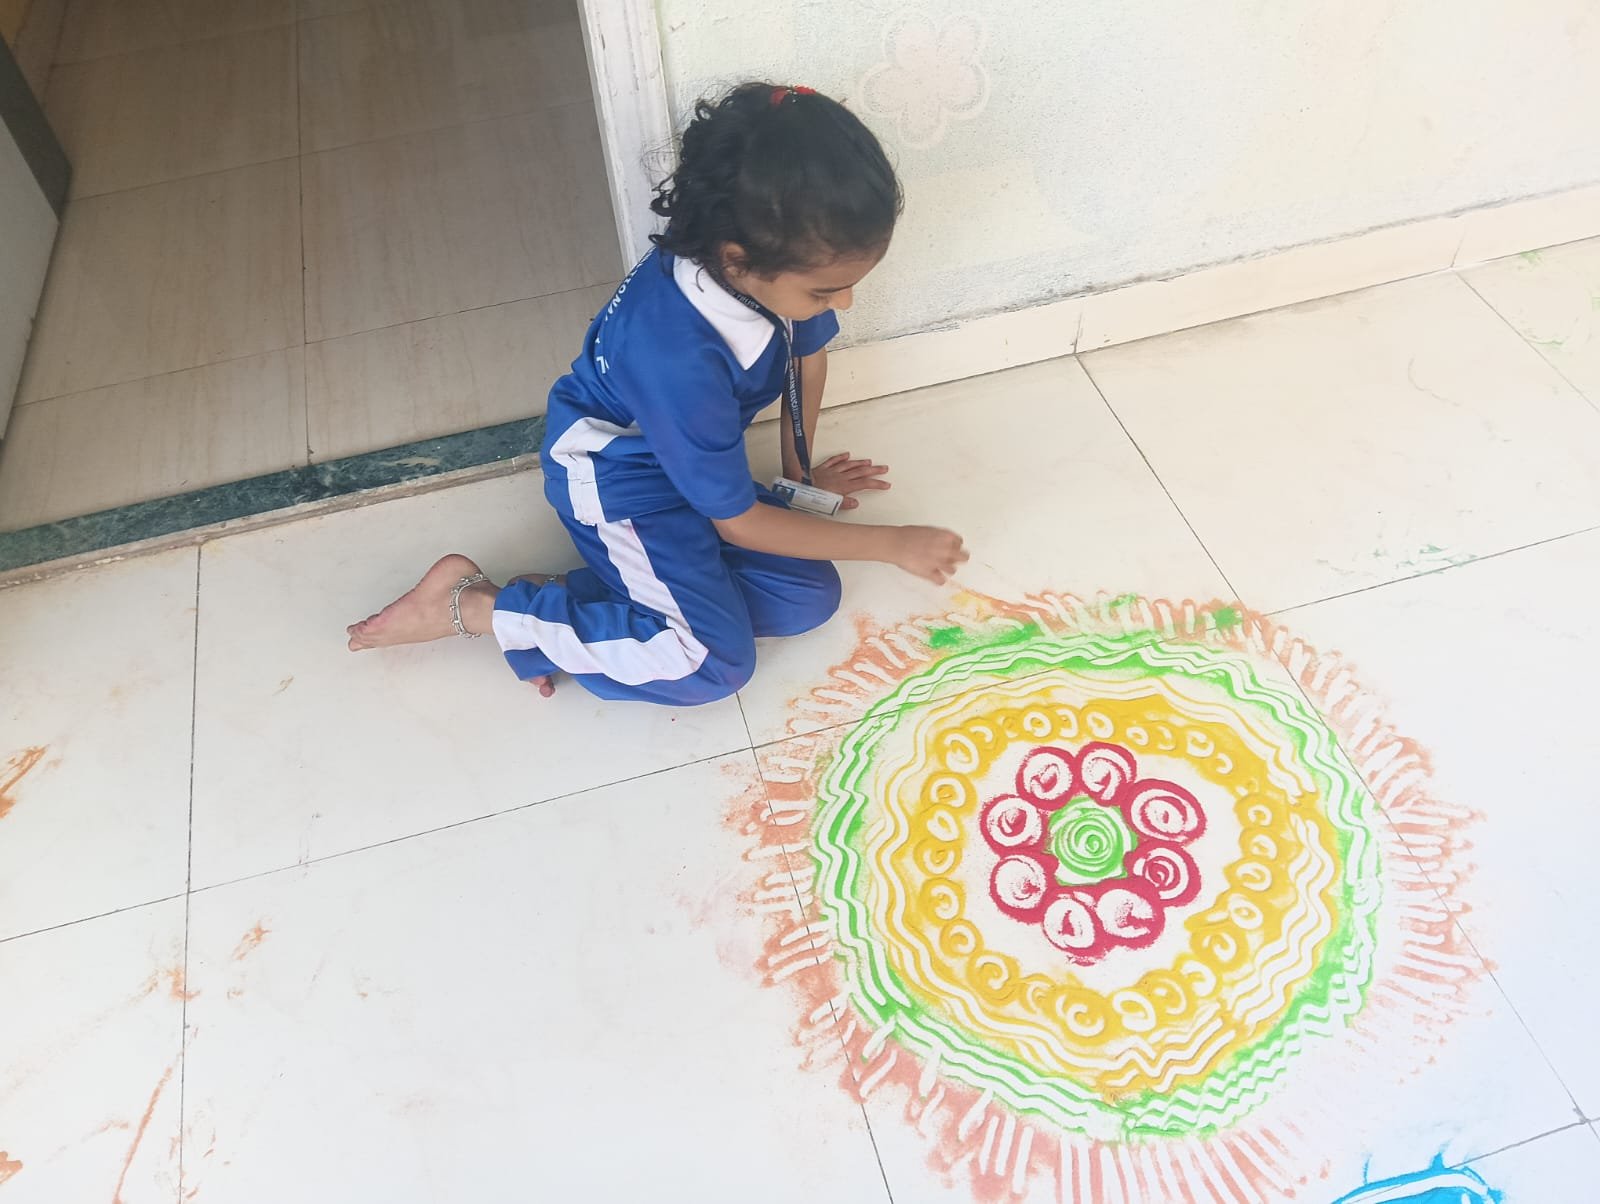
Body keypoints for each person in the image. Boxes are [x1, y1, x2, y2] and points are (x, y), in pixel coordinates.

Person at [346, 82, 968, 704]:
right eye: (826, 293)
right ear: (737, 259)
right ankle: (481, 607)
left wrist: (800, 487)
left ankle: (598, 603)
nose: (845, 303)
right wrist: (891, 544)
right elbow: (742, 526)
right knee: (709, 665)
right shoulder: (677, 356)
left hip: (686, 466)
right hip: (619, 483)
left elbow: (805, 362)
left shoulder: (775, 262)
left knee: (807, 595)